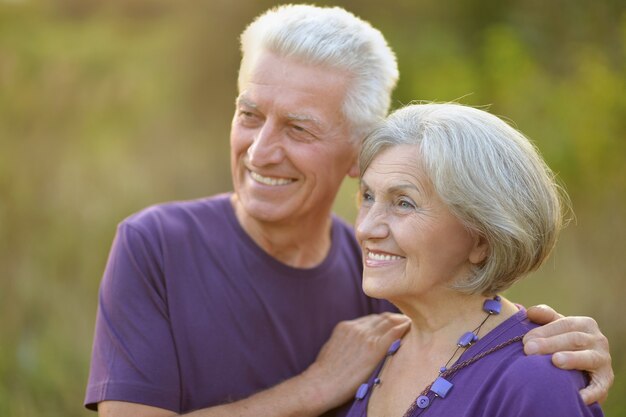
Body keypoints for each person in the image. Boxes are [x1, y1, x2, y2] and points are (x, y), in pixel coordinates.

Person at [84, 5, 613, 417]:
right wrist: (311, 389)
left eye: (298, 127)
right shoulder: (154, 245)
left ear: (361, 153)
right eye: (249, 114)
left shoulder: (385, 292)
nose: (260, 150)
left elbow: (467, 316)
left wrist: (554, 348)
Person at [346, 102, 604, 417]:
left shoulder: (536, 380)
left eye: (404, 203)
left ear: (482, 238)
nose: (365, 228)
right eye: (368, 197)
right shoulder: (370, 349)